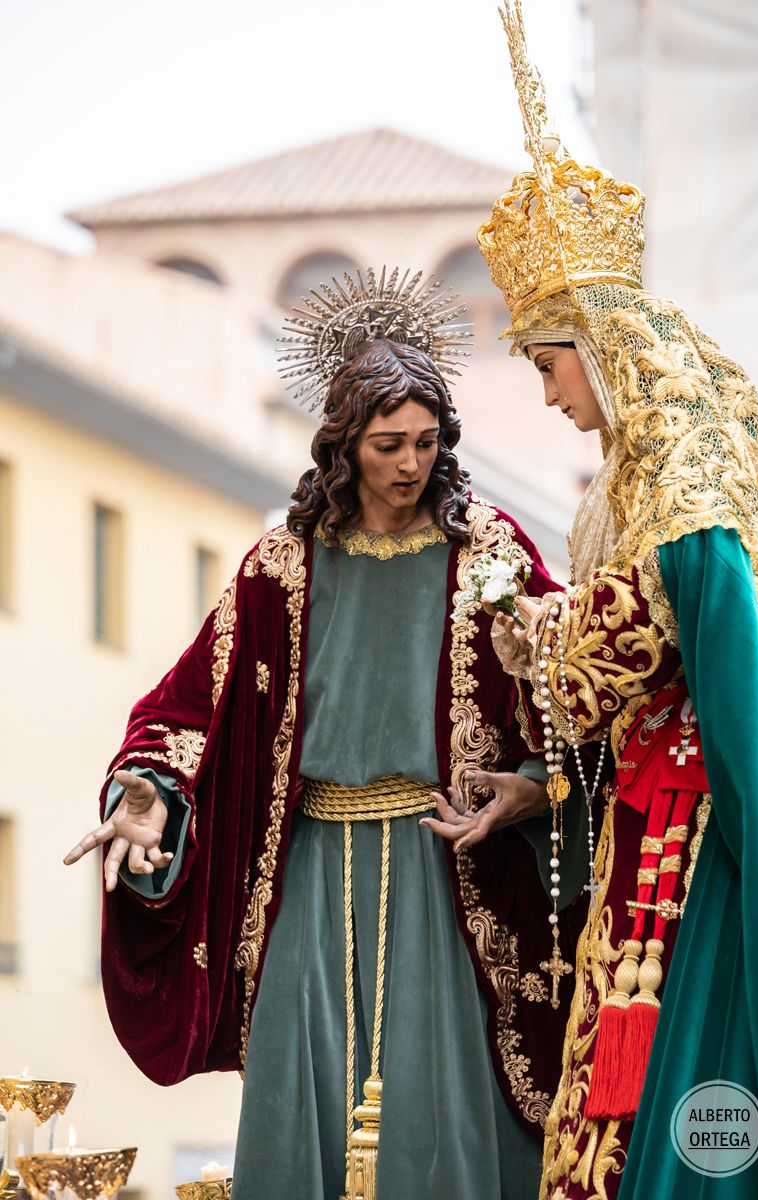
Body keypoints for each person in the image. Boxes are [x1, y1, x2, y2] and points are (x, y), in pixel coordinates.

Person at [64, 268, 591, 1200]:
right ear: (345, 443)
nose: (411, 464)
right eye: (388, 445)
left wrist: (535, 788)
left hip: (443, 876)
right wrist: (150, 790)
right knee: (300, 1111)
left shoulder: (491, 552)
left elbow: (580, 701)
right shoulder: (281, 569)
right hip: (311, 881)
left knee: (438, 1118)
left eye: (427, 442)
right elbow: (187, 707)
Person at [468, 4, 758, 1198]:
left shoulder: (688, 487)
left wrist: (541, 632)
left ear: (601, 348)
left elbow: (653, 631)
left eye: (547, 363)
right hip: (651, 817)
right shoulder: (649, 480)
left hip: (696, 832)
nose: (550, 394)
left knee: (690, 1088)